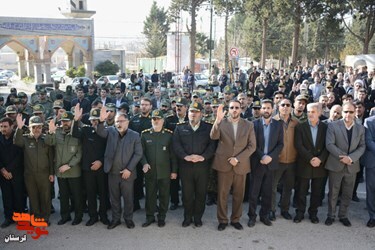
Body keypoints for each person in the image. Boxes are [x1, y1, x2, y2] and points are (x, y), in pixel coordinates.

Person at [210, 101, 256, 231]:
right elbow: (213, 136)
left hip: (240, 165)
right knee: (222, 195)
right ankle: (223, 220)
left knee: (238, 195)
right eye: (232, 108)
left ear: (241, 109)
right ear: (228, 110)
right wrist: (217, 121)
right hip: (224, 164)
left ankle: (236, 219)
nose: (234, 110)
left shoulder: (249, 125)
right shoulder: (222, 122)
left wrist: (238, 159)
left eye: (237, 108)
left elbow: (252, 146)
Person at [96, 107, 143, 230]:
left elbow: (138, 154)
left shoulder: (135, 135)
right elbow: (100, 132)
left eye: (121, 121)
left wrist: (129, 169)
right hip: (113, 172)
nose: (118, 123)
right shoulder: (110, 131)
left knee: (128, 199)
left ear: (127, 122)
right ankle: (115, 219)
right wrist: (101, 122)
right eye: (117, 121)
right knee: (114, 198)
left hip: (128, 173)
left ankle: (128, 219)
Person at [173, 102, 216, 227]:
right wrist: (185, 156)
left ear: (201, 114)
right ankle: (187, 217)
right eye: (191, 111)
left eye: (196, 112)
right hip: (186, 166)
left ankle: (198, 218)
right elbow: (176, 145)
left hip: (202, 166)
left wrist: (203, 157)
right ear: (188, 113)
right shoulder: (180, 127)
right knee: (187, 194)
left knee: (201, 194)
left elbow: (212, 145)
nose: (193, 114)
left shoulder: (208, 128)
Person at [325, 102, 366, 227]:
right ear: (342, 112)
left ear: (355, 113)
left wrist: (350, 158)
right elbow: (329, 144)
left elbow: (362, 146)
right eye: (346, 111)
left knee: (347, 193)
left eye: (351, 112)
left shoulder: (360, 128)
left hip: (351, 166)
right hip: (336, 164)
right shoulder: (333, 126)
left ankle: (343, 215)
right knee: (333, 192)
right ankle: (330, 215)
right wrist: (343, 157)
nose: (348, 114)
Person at [247, 99, 284, 227]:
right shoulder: (253, 124)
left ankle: (264, 215)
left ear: (273, 109)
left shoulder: (278, 125)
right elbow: (251, 144)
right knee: (254, 192)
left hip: (271, 163)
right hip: (257, 162)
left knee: (267, 192)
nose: (266, 110)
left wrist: (270, 157)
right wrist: (262, 156)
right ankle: (252, 216)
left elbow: (280, 144)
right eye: (264, 108)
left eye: (269, 108)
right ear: (261, 110)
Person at [72, 105, 110, 226]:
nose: (94, 122)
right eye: (92, 120)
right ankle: (93, 216)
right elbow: (74, 134)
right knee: (90, 193)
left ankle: (103, 215)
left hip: (101, 168)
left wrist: (101, 161)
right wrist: (76, 120)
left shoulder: (106, 132)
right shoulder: (86, 130)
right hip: (88, 169)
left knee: (103, 193)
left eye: (96, 119)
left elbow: (110, 151)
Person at [140, 109, 177, 228]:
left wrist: (174, 171)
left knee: (164, 195)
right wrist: (144, 163)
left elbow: (173, 155)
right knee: (150, 195)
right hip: (150, 172)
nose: (156, 121)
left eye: (158, 119)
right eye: (153, 119)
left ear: (163, 120)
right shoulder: (145, 135)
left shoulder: (169, 135)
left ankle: (161, 217)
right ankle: (149, 217)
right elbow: (141, 153)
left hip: (165, 172)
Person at [45, 111, 83, 226]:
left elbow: (79, 153)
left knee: (76, 196)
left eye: (67, 121)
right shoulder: (57, 133)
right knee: (64, 196)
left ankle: (78, 216)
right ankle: (65, 216)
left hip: (73, 171)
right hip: (61, 172)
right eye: (63, 121)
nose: (64, 123)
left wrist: (69, 165)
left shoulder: (77, 134)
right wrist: (50, 132)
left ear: (72, 122)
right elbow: (48, 142)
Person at [14, 115, 54, 224]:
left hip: (44, 174)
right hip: (30, 174)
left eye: (39, 127)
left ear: (42, 128)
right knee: (33, 197)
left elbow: (50, 158)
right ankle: (35, 218)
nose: (37, 129)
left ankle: (45, 218)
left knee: (45, 197)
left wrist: (51, 173)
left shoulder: (46, 139)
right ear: (30, 128)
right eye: (34, 127)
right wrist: (19, 128)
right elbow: (17, 142)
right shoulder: (25, 139)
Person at [293, 103, 329, 224]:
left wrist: (320, 159)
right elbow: (298, 145)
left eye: (313, 112)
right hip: (304, 163)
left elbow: (327, 146)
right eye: (308, 111)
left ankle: (313, 213)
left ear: (319, 113)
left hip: (320, 164)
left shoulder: (325, 127)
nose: (310, 114)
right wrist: (310, 158)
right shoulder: (300, 127)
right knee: (301, 190)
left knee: (316, 191)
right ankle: (300, 212)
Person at [270, 98, 299, 221]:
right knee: (272, 187)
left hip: (292, 161)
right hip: (277, 160)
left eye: (288, 105)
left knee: (288, 187)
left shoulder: (296, 122)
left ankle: (285, 209)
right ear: (278, 106)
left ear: (291, 107)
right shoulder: (273, 121)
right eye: (283, 105)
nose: (285, 107)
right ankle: (271, 210)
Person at [0, 117, 24, 228]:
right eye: (1, 126)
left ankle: (19, 217)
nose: (3, 129)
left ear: (11, 126)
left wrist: (9, 169)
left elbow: (20, 156)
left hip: (16, 172)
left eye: (5, 126)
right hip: (3, 173)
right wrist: (3, 170)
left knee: (18, 196)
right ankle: (8, 218)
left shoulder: (17, 137)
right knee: (6, 196)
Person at [363, 114, 375, 228]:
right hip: (373, 162)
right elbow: (368, 140)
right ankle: (372, 216)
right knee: (371, 189)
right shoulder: (369, 121)